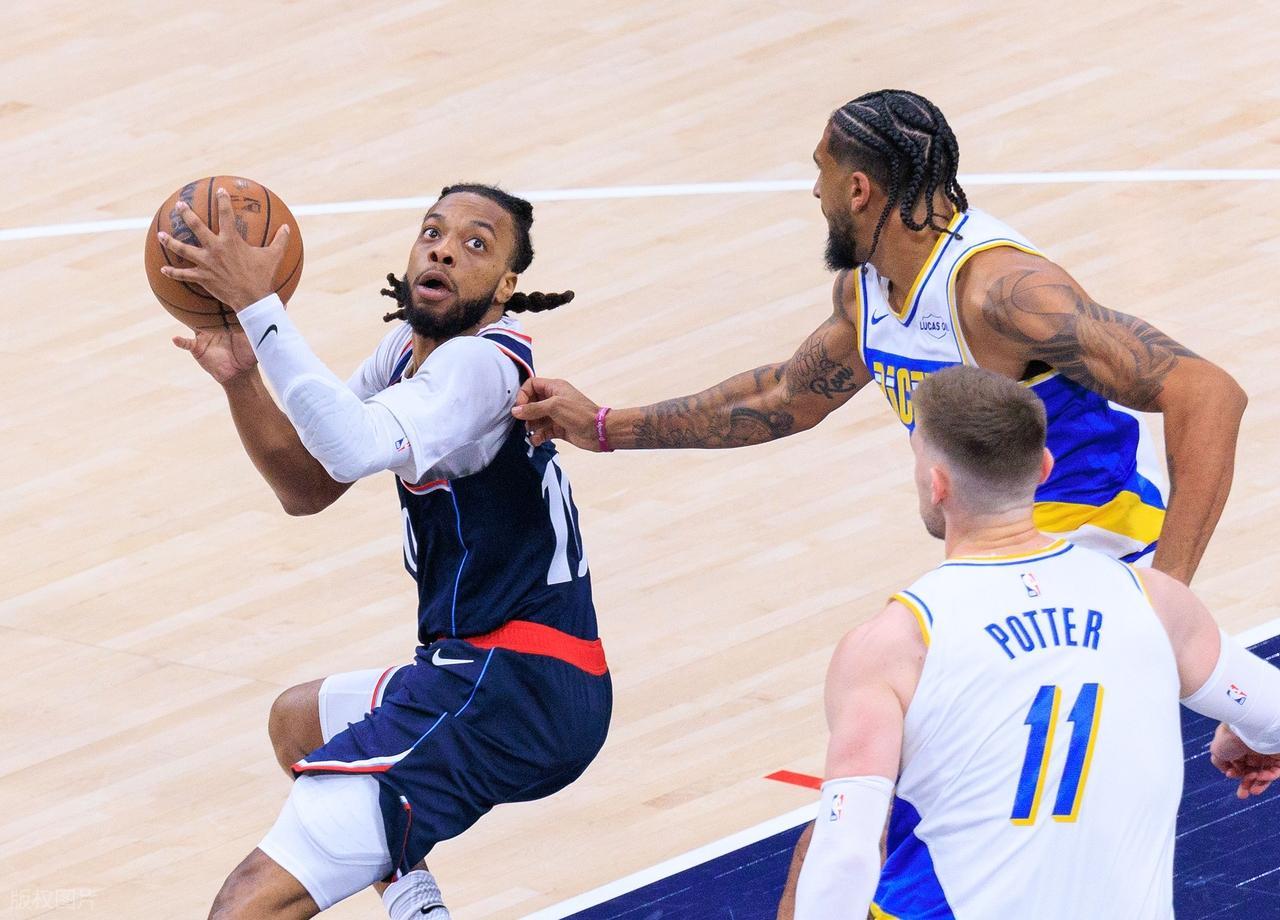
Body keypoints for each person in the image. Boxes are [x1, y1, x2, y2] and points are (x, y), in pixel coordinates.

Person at [513, 88, 1246, 582]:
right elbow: (784, 397)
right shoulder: (866, 291)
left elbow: (1208, 392)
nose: (815, 192)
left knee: (899, 702)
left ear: (859, 189)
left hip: (1095, 547)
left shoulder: (1001, 291)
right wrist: (604, 426)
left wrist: (1170, 589)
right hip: (1001, 553)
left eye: (822, 174)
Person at [159, 184, 611, 920]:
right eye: (433, 232)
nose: (443, 250)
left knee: (245, 906)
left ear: (505, 287)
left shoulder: (482, 369)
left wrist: (260, 306)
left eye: (475, 243)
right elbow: (310, 484)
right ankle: (416, 906)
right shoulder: (407, 352)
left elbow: (352, 444)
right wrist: (243, 378)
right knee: (299, 721)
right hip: (495, 674)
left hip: (512, 689)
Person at [792, 365, 1280, 919]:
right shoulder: (1156, 601)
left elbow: (845, 852)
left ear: (936, 482)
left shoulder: (891, 645)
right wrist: (1246, 734)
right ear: (1045, 467)